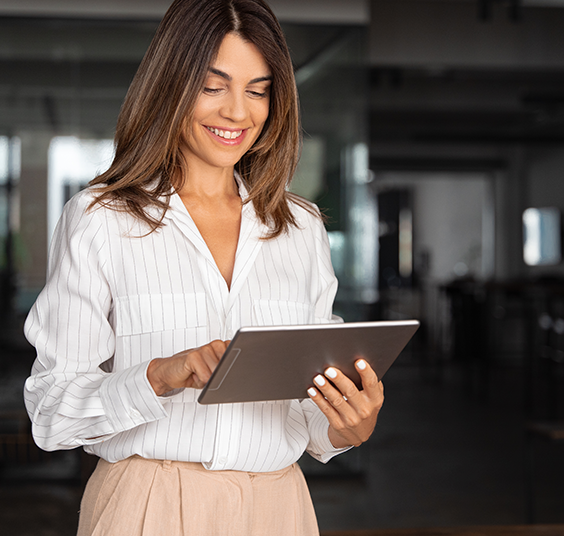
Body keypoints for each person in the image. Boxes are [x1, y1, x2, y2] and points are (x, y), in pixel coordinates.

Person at [22, 1, 385, 534]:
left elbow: (310, 419)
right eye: (214, 86)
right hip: (149, 503)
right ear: (171, 84)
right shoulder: (102, 220)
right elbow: (52, 411)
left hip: (279, 508)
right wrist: (158, 376)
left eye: (257, 90)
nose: (238, 112)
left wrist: (353, 423)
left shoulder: (301, 228)